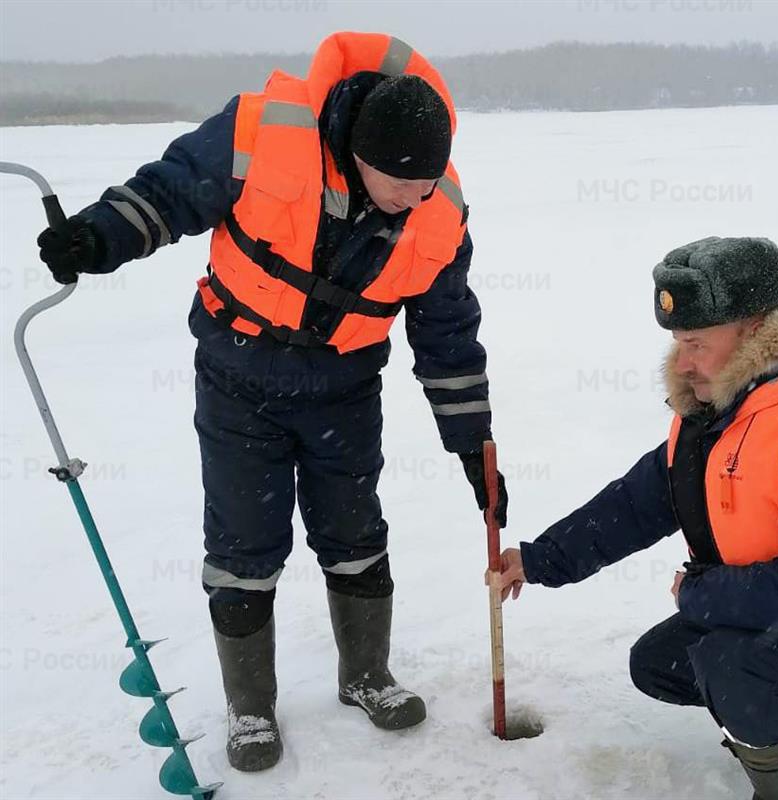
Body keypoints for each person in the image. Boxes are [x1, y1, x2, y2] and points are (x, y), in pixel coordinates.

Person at [37, 31, 508, 772]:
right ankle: (251, 706)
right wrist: (96, 238)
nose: (415, 201)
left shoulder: (439, 211)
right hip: (238, 379)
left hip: (344, 389)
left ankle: (366, 675)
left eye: (426, 186)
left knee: (355, 533)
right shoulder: (264, 132)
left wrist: (472, 450)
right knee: (243, 544)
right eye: (401, 187)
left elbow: (448, 333)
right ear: (359, 152)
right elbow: (169, 191)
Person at [487, 237, 778, 800]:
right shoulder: (724, 412)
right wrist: (539, 560)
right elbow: (636, 505)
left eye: (695, 343)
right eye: (676, 343)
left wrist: (699, 592)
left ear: (756, 330)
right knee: (662, 661)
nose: (681, 363)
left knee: (734, 667)